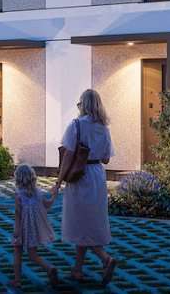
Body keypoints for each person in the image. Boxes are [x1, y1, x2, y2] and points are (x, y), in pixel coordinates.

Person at [58, 89, 118, 285]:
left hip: (80, 175)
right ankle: (77, 270)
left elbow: (68, 156)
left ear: (83, 104)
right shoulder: (104, 128)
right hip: (97, 176)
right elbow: (106, 159)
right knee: (89, 221)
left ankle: (105, 259)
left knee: (80, 223)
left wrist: (59, 181)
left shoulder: (76, 125)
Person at [10, 164, 60, 289]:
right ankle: (49, 268)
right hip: (33, 229)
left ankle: (17, 280)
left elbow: (18, 215)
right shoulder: (38, 193)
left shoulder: (19, 195)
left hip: (22, 229)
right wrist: (54, 195)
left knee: (17, 252)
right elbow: (47, 205)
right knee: (32, 255)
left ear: (18, 178)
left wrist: (16, 232)